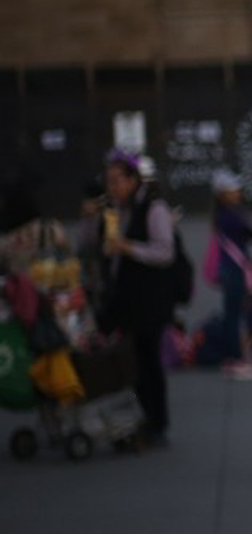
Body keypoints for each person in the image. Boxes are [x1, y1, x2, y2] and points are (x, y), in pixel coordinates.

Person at [101, 152, 182, 450]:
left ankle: (157, 421)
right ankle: (144, 417)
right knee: (134, 361)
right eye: (108, 181)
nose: (111, 187)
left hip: (150, 300)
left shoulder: (154, 209)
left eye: (116, 180)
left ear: (133, 180)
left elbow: (165, 252)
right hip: (128, 299)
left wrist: (128, 248)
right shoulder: (117, 211)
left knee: (148, 362)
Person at [205, 170, 252, 380]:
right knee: (235, 315)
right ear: (222, 194)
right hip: (234, 270)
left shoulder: (220, 215)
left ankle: (235, 355)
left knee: (233, 313)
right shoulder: (231, 215)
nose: (237, 194)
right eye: (232, 191)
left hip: (230, 268)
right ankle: (236, 357)